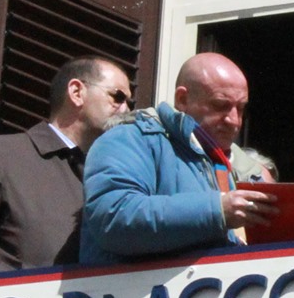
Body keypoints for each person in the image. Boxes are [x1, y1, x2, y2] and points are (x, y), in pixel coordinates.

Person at [0, 56, 132, 274]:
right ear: (76, 92)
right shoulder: (0, 155)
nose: (126, 110)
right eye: (118, 97)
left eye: (129, 102)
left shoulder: (110, 176)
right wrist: (27, 291)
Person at [80, 53, 275, 264]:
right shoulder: (128, 138)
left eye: (241, 108)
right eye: (220, 105)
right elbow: (114, 218)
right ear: (182, 99)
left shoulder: (224, 164)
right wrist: (218, 210)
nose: (234, 121)